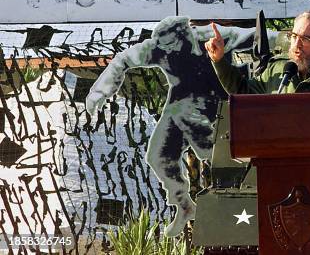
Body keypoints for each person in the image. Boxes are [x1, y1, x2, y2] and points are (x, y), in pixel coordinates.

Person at [85, 16, 261, 238]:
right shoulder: (156, 49)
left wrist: (293, 42)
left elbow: (257, 37)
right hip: (181, 105)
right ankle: (185, 206)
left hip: (220, 103)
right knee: (158, 156)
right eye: (166, 46)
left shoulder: (210, 36)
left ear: (185, 34)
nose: (171, 50)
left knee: (220, 154)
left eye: (173, 44)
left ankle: (235, 188)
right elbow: (123, 59)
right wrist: (100, 91)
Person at [206, 10, 310, 94]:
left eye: (306, 38)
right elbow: (243, 91)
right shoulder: (277, 69)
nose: (297, 44)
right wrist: (219, 60)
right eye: (294, 36)